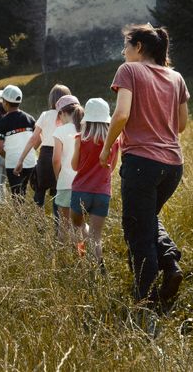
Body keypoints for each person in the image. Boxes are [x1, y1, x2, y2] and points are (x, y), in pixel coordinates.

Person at [102, 24, 189, 312]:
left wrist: (106, 148)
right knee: (147, 218)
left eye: (126, 45)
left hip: (141, 163)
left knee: (137, 230)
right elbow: (181, 125)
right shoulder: (176, 77)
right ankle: (170, 264)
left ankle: (146, 301)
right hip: (173, 166)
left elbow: (121, 114)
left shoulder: (129, 70)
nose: (123, 51)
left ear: (139, 47)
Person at [70, 98, 118, 265]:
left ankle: (82, 258)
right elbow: (112, 168)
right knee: (96, 235)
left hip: (80, 191)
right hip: (102, 193)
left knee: (78, 227)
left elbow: (75, 166)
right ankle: (98, 266)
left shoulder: (80, 138)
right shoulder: (114, 142)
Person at [15, 84, 71, 211]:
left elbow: (33, 139)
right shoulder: (68, 117)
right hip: (61, 156)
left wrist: (21, 160)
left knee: (39, 191)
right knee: (58, 194)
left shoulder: (45, 115)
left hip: (44, 157)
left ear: (51, 99)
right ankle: (58, 223)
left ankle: (38, 222)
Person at [0, 84, 37, 202]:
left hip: (13, 163)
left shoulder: (2, 122)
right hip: (30, 162)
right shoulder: (30, 118)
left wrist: (10, 157)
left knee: (17, 196)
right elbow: (38, 139)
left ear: (6, 103)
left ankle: (20, 214)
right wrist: (29, 153)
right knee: (26, 191)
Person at [50, 94, 81, 244]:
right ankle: (80, 254)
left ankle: (63, 254)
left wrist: (58, 177)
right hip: (83, 182)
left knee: (64, 224)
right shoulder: (84, 129)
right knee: (79, 225)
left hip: (65, 182)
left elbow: (56, 160)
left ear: (62, 113)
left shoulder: (60, 131)